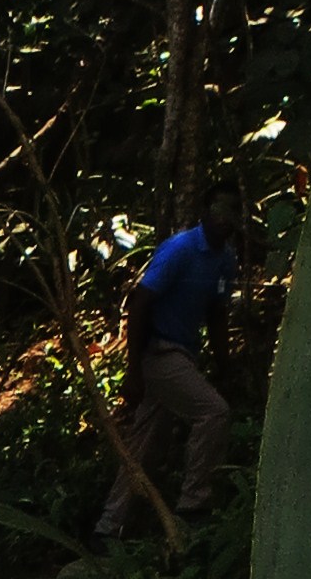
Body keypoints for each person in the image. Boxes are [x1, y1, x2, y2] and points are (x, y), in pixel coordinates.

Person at [94, 196, 242, 544]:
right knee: (214, 413)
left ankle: (108, 528)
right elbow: (140, 302)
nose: (223, 220)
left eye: (231, 213)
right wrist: (134, 369)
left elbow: (217, 313)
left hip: (184, 355)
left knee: (144, 443)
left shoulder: (225, 260)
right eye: (218, 211)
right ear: (205, 213)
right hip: (161, 351)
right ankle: (194, 505)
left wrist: (226, 366)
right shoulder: (180, 249)